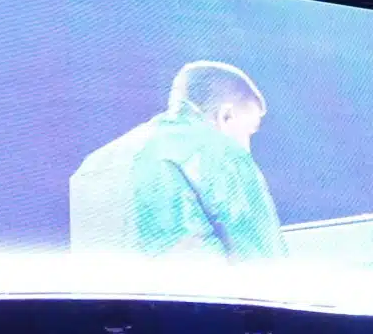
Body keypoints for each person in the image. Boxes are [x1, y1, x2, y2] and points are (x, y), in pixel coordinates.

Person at [68, 61, 284, 262]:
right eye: (250, 132)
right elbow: (263, 262)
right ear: (225, 116)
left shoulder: (93, 165)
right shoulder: (223, 152)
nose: (247, 147)